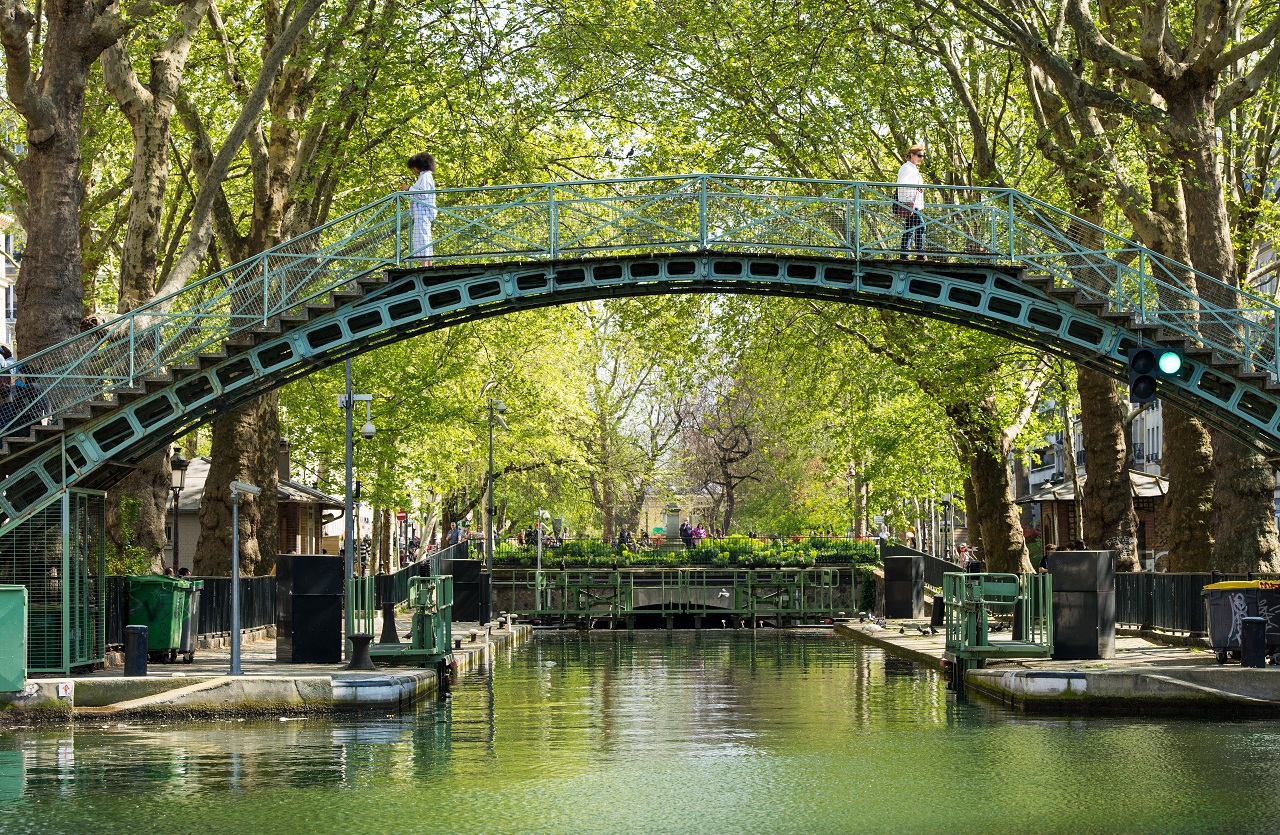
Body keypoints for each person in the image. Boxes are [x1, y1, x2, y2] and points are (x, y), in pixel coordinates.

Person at [405, 152, 438, 266]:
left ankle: (425, 263)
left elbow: (422, 194)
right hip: (422, 212)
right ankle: (427, 262)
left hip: (423, 212)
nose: (413, 170)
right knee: (423, 236)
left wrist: (409, 188)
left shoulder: (425, 176)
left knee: (423, 236)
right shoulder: (424, 176)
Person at [896, 144, 927, 259]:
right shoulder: (906, 168)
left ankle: (904, 254)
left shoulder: (912, 168)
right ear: (912, 155)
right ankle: (920, 253)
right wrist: (906, 201)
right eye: (919, 155)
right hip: (910, 204)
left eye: (922, 156)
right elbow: (901, 185)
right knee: (921, 226)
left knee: (909, 228)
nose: (921, 158)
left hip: (914, 203)